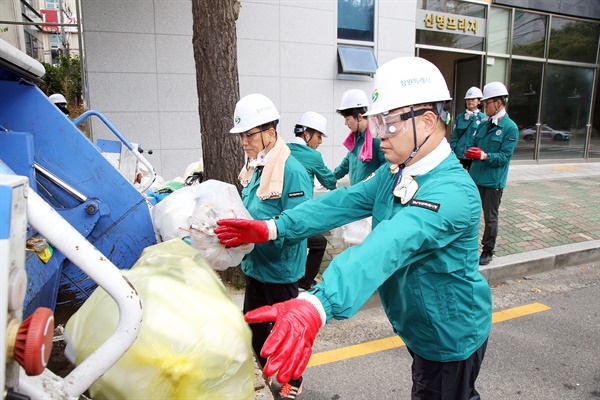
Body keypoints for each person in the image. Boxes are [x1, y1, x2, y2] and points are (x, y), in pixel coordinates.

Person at [215, 57, 493, 399]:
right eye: (376, 124)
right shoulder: (398, 171)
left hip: (449, 334)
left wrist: (319, 305)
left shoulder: (453, 191)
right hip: (422, 323)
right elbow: (341, 203)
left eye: (389, 124)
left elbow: (387, 245)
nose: (379, 137)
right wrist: (272, 227)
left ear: (428, 120)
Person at [228, 93, 313, 398]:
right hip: (256, 266)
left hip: (280, 270)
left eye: (248, 135)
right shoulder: (257, 167)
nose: (243, 142)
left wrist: (258, 233)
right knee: (253, 329)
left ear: (270, 132)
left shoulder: (291, 171)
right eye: (241, 136)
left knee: (285, 331)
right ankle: (272, 370)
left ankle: (294, 379)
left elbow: (299, 224)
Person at [464, 81, 519, 266]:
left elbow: (504, 157)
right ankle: (467, 247)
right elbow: (474, 143)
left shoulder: (510, 128)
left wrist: (485, 155)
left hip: (492, 182)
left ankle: (487, 250)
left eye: (486, 103)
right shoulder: (483, 124)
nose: (483, 106)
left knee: (490, 218)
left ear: (498, 102)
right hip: (475, 177)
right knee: (469, 214)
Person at [288, 111, 336, 291]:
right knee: (320, 242)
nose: (320, 141)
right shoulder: (312, 156)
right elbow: (329, 181)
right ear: (306, 134)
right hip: (298, 215)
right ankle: (306, 281)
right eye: (318, 136)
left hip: (279, 213)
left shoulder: (283, 149)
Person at [333, 89, 387, 185]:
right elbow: (345, 165)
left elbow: (386, 170)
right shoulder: (355, 138)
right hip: (356, 194)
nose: (345, 123)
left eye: (347, 119)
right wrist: (328, 178)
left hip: (370, 197)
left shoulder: (376, 139)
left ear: (359, 117)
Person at [450, 86, 485, 171]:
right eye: (468, 99)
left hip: (473, 156)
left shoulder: (484, 119)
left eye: (473, 99)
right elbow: (455, 136)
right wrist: (452, 150)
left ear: (479, 101)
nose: (470, 101)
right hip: (459, 154)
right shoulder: (460, 118)